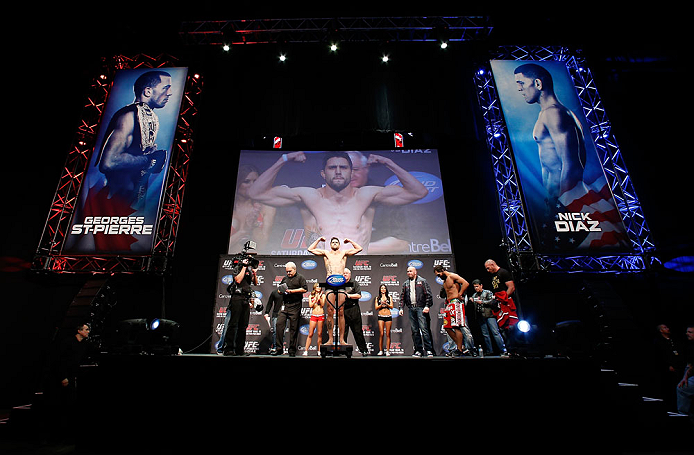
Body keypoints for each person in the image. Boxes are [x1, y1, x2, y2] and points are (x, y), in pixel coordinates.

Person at [247, 150, 428, 253]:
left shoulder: (367, 196)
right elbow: (255, 193)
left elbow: (419, 192)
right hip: (321, 264)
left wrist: (388, 162)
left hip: (359, 264)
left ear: (351, 172)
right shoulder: (309, 196)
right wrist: (283, 159)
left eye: (344, 167)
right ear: (323, 174)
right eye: (333, 168)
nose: (339, 171)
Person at [307, 236, 362, 346]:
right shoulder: (326, 253)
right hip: (330, 282)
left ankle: (342, 340)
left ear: (339, 244)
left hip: (341, 283)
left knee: (341, 311)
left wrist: (350, 241)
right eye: (333, 242)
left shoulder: (344, 253)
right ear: (330, 244)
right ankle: (330, 339)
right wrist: (318, 240)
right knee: (330, 311)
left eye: (337, 242)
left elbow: (359, 248)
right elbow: (310, 249)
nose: (335, 243)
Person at [42, 323, 91, 441]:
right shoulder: (68, 343)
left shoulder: (84, 345)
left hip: (71, 376)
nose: (88, 331)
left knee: (70, 404)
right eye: (86, 329)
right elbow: (59, 361)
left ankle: (66, 433)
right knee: (58, 405)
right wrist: (63, 377)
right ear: (79, 331)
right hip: (60, 377)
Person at [228, 164, 276, 254]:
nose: (253, 185)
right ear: (237, 183)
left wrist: (254, 226)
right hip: (227, 262)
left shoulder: (267, 207)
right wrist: (244, 231)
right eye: (246, 182)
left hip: (256, 263)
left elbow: (262, 246)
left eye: (256, 181)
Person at [434, 264, 473, 357]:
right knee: (447, 327)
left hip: (456, 303)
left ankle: (459, 350)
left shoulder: (452, 276)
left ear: (442, 270)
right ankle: (460, 346)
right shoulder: (444, 281)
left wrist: (460, 294)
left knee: (456, 327)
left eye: (438, 274)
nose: (438, 277)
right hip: (448, 304)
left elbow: (466, 283)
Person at [223, 257, 258, 356]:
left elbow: (255, 282)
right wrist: (243, 267)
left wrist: (254, 273)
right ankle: (229, 349)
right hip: (237, 298)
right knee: (233, 324)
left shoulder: (249, 271)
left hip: (245, 299)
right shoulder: (238, 268)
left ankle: (240, 350)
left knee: (243, 326)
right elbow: (238, 280)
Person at [273, 261, 308, 357]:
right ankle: (279, 349)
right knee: (279, 325)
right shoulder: (285, 279)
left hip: (295, 306)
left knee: (293, 329)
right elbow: (280, 289)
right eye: (287, 272)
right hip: (285, 305)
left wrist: (292, 291)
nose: (288, 273)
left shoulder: (300, 278)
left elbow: (305, 289)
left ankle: (292, 351)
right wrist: (280, 291)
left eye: (290, 271)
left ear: (294, 269)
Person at [399, 266, 434, 357]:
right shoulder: (405, 284)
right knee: (415, 331)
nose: (409, 272)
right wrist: (401, 308)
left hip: (421, 308)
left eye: (411, 271)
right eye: (407, 271)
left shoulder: (422, 281)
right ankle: (418, 350)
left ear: (415, 272)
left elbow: (428, 295)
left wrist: (427, 306)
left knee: (424, 329)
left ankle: (429, 350)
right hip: (411, 308)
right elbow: (402, 297)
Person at [484, 259, 519, 351]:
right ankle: (509, 349)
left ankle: (516, 348)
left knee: (510, 326)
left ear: (492, 264)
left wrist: (504, 299)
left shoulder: (503, 272)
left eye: (488, 268)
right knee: (502, 328)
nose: (488, 271)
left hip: (506, 302)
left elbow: (511, 287)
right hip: (499, 303)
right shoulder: (493, 276)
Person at [471, 279, 508, 357]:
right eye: (474, 287)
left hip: (490, 315)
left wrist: (482, 302)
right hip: (480, 316)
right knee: (485, 335)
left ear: (481, 286)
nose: (476, 288)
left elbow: (492, 301)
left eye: (477, 286)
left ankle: (503, 350)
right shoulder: (474, 295)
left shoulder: (487, 292)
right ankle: (489, 350)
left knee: (495, 333)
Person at [652, 323, 685, 410]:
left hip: (679, 366)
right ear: (661, 330)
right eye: (665, 328)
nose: (667, 329)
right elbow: (660, 356)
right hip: (667, 369)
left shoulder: (674, 340)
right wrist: (667, 365)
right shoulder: (658, 342)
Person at [341, 268, 368, 355]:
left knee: (357, 331)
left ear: (350, 274)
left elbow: (359, 295)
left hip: (354, 309)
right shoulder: (340, 284)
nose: (345, 275)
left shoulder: (354, 283)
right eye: (343, 273)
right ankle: (343, 351)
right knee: (343, 331)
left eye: (346, 273)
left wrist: (348, 295)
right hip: (343, 310)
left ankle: (363, 350)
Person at [676, 325, 694, 423]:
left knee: (682, 389)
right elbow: (690, 365)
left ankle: (683, 418)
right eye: (687, 332)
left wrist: (686, 376)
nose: (687, 334)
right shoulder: (690, 346)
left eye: (690, 332)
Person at [303, 282, 325, 356]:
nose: (318, 288)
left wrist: (320, 298)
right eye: (317, 286)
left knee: (319, 334)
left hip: (321, 315)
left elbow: (322, 304)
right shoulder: (311, 296)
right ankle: (306, 350)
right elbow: (310, 305)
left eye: (319, 287)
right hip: (314, 315)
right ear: (315, 288)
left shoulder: (323, 295)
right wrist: (315, 299)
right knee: (310, 333)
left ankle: (319, 351)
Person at [374, 284, 394, 356]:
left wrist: (386, 304)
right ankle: (381, 350)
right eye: (381, 288)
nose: (383, 290)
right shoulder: (377, 298)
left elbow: (391, 306)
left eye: (384, 288)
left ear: (386, 290)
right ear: (380, 290)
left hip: (388, 316)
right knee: (381, 333)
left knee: (388, 334)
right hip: (381, 316)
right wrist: (381, 304)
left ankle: (388, 351)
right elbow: (376, 307)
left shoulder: (389, 297)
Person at [263, 287, 284, 355]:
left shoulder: (286, 293)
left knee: (282, 333)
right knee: (275, 331)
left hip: (284, 315)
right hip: (276, 314)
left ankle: (280, 348)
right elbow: (270, 303)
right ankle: (275, 347)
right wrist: (266, 312)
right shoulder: (274, 293)